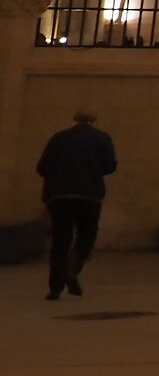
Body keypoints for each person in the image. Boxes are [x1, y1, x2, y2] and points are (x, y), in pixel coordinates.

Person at [36, 109, 116, 301]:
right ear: (93, 120)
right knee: (86, 236)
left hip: (60, 196)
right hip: (89, 195)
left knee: (60, 240)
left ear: (75, 119)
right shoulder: (102, 139)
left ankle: (55, 287)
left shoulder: (59, 138)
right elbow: (110, 166)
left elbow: (42, 167)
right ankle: (72, 270)